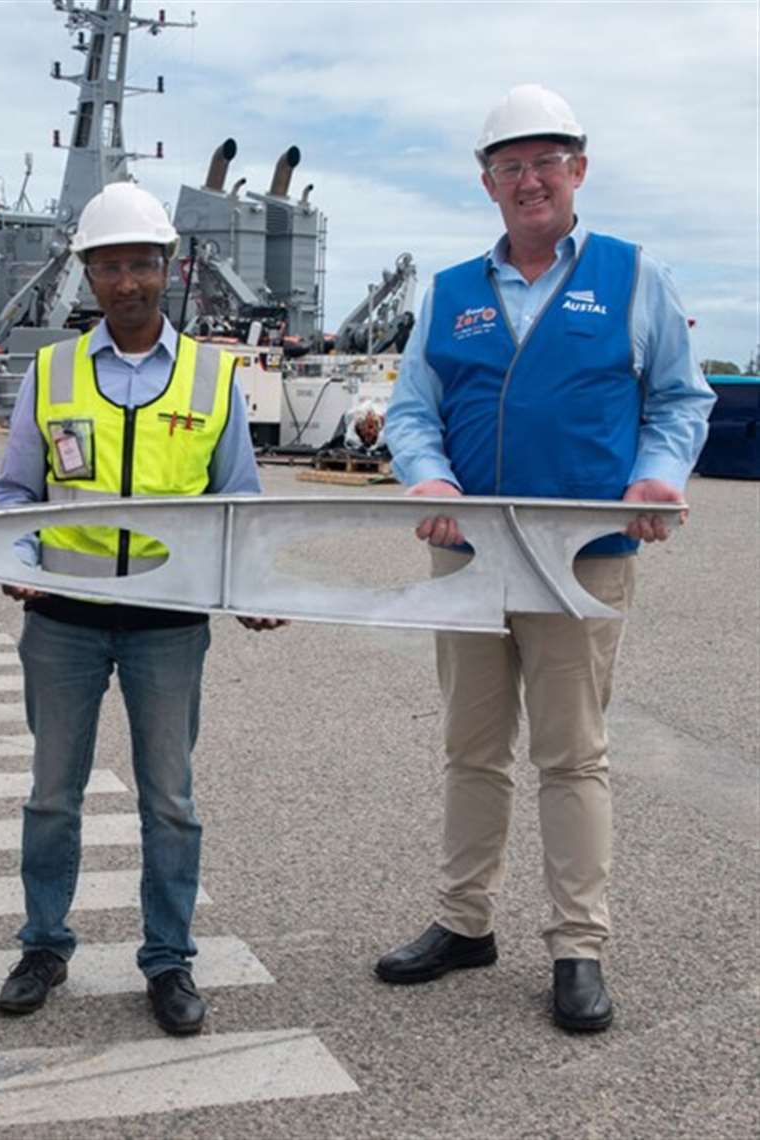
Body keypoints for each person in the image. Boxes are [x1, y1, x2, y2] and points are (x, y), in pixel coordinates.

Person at [380, 84, 714, 1032]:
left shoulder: (632, 274)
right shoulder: (449, 293)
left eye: (546, 161)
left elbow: (680, 399)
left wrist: (656, 476)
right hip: (471, 553)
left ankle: (578, 947)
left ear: (580, 167)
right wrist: (430, 480)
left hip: (586, 555)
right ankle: (463, 921)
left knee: (574, 757)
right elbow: (412, 410)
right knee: (471, 750)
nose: (530, 180)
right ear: (486, 183)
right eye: (510, 166)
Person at [0, 181, 284, 1036]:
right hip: (64, 621)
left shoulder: (210, 376)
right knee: (52, 795)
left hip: (168, 625)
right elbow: (14, 495)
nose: (128, 281)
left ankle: (169, 960)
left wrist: (249, 591)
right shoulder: (50, 372)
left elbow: (239, 502)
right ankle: (44, 944)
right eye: (111, 265)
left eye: (142, 264)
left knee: (170, 801)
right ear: (88, 272)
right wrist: (21, 563)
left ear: (169, 268)